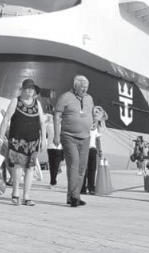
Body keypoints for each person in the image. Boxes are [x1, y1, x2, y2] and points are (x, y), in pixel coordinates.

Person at [1, 79, 43, 206]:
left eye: (31, 89)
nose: (29, 91)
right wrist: (1, 136)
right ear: (22, 89)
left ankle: (26, 196)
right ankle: (15, 193)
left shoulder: (37, 103)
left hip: (33, 141)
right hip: (17, 140)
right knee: (18, 166)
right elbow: (6, 118)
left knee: (30, 168)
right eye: (27, 88)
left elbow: (41, 122)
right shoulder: (16, 101)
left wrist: (44, 140)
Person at [54, 75, 94, 207]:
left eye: (86, 87)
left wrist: (94, 121)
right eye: (82, 87)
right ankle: (74, 197)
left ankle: (73, 195)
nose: (84, 89)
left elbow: (91, 114)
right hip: (68, 136)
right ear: (75, 86)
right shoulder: (65, 97)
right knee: (74, 164)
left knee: (82, 168)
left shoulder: (89, 98)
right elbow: (57, 116)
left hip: (86, 137)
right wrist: (56, 135)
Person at [82, 107, 106, 195]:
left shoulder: (96, 127)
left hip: (92, 149)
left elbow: (98, 140)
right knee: (85, 170)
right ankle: (83, 188)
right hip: (85, 149)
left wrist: (100, 151)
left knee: (91, 169)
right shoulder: (86, 124)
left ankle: (90, 187)